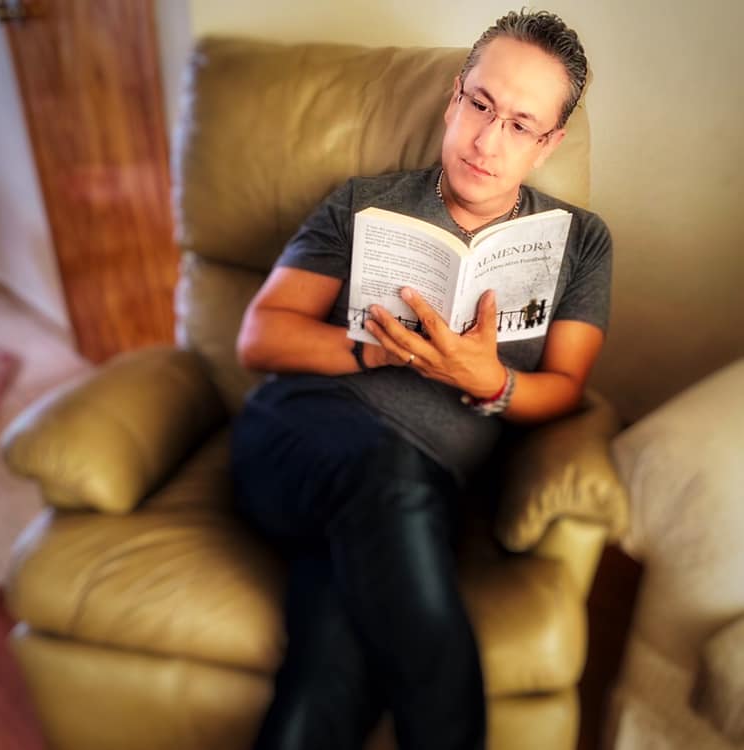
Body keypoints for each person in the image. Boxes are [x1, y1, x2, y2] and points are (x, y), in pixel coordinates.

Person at [231, 9, 611, 750]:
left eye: (520, 125)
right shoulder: (361, 202)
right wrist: (378, 352)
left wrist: (491, 380)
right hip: (300, 433)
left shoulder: (582, 243)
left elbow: (566, 386)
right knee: (385, 480)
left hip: (421, 487)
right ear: (452, 97)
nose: (487, 141)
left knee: (329, 662)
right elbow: (259, 336)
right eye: (480, 105)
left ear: (549, 143)